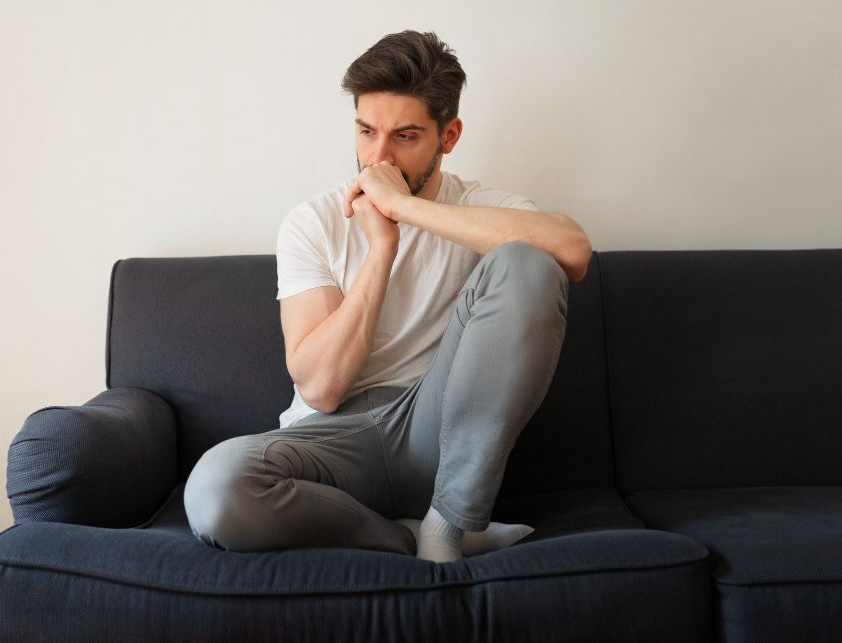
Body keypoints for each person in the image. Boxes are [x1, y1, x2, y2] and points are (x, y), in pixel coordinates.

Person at [184, 30, 592, 563]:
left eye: (405, 136)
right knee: (216, 489)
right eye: (366, 131)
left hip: (437, 433)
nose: (377, 157)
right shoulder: (312, 222)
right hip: (331, 444)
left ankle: (447, 526)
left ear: (449, 136)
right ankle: (407, 535)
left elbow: (573, 251)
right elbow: (323, 388)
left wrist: (406, 207)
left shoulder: (479, 209)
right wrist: (382, 248)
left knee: (527, 261)